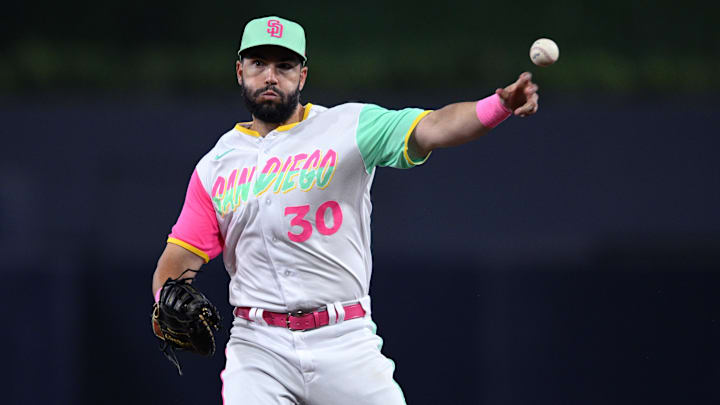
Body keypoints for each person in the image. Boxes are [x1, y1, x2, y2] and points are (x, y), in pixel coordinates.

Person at [151, 15, 539, 405]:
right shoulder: (215, 165)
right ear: (240, 71)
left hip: (344, 339)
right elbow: (179, 254)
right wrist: (165, 295)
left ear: (302, 76)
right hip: (258, 348)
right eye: (258, 64)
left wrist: (498, 106)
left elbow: (433, 127)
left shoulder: (348, 126)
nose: (271, 76)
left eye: (284, 66)